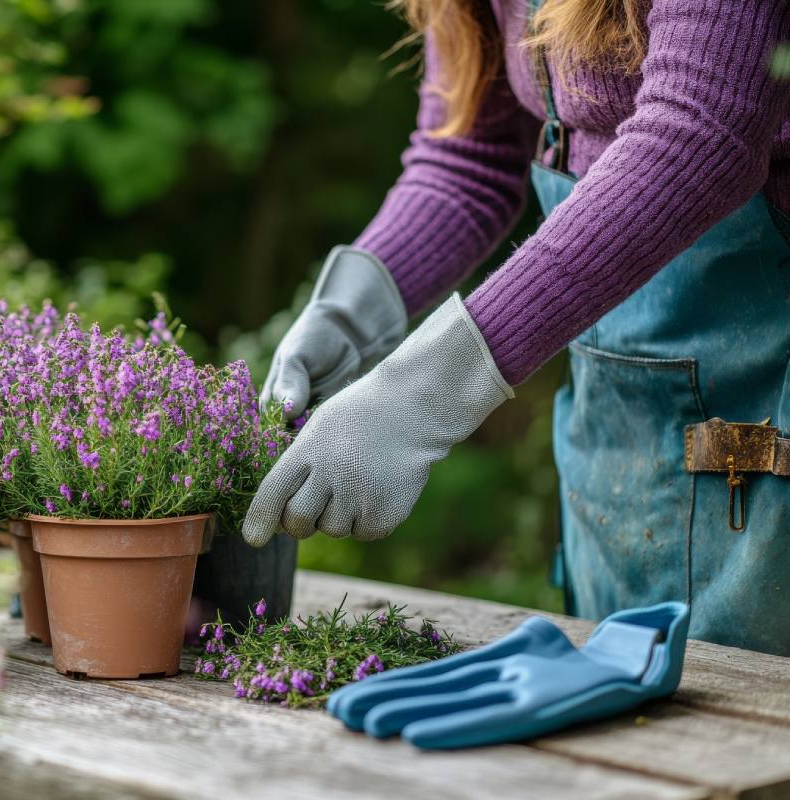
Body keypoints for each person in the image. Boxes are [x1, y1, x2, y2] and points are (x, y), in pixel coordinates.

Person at [243, 0, 790, 657]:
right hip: (625, 422)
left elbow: (700, 135)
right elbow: (468, 159)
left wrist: (423, 393)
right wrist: (355, 306)